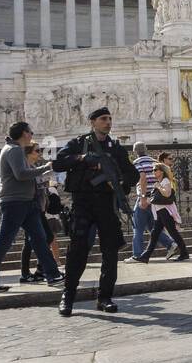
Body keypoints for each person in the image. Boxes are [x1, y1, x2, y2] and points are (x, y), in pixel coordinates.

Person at [54, 107, 137, 316]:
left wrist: (118, 182)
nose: (108, 122)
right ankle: (68, 295)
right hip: (83, 203)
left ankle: (105, 297)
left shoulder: (116, 148)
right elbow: (58, 162)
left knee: (110, 252)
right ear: (92, 122)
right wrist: (82, 159)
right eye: (103, 119)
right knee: (78, 250)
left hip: (107, 204)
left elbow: (132, 175)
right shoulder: (78, 143)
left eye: (109, 119)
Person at [0, 121, 64, 293]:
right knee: (4, 240)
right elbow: (21, 174)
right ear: (24, 133)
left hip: (26, 202)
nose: (32, 135)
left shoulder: (12, 149)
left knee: (40, 238)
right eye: (30, 132)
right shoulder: (14, 150)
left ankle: (53, 274)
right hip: (15, 202)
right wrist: (45, 168)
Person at [127, 141, 175, 262]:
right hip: (155, 198)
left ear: (135, 151)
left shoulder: (137, 162)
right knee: (152, 226)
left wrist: (143, 197)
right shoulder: (155, 162)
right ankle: (171, 244)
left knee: (137, 227)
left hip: (145, 198)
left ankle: (137, 254)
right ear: (146, 149)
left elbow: (142, 178)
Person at [134, 162, 191, 263]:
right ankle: (145, 256)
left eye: (155, 170)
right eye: (153, 170)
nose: (153, 172)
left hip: (165, 211)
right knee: (155, 233)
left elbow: (167, 194)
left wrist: (158, 187)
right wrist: (145, 201)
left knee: (172, 232)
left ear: (161, 171)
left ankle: (184, 253)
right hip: (159, 212)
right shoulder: (159, 182)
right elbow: (155, 198)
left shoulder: (165, 181)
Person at [20, 150, 62, 282]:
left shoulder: (32, 167)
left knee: (40, 239)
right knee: (33, 240)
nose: (39, 153)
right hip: (31, 207)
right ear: (28, 153)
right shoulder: (26, 167)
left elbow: (39, 185)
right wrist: (45, 174)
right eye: (36, 151)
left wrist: (45, 179)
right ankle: (30, 272)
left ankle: (38, 270)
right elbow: (30, 183)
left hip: (39, 208)